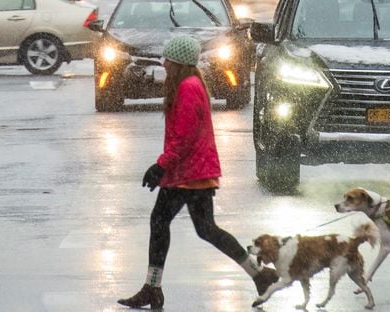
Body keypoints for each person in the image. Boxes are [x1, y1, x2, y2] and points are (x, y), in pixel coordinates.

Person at [117, 35, 278, 310]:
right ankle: (259, 274)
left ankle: (152, 289)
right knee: (205, 229)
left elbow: (184, 137)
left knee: (162, 222)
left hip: (189, 173)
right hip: (192, 171)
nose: (164, 63)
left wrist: (160, 166)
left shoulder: (187, 88)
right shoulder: (188, 84)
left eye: (168, 59)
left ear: (179, 62)